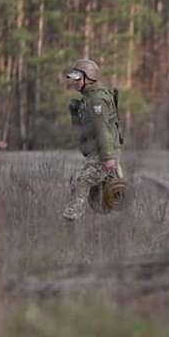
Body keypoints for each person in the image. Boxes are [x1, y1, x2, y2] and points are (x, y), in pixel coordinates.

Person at [62, 58, 123, 221]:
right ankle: (108, 227)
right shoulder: (87, 99)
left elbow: (103, 130)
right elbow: (81, 132)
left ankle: (70, 220)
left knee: (81, 182)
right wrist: (74, 113)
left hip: (104, 153)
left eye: (78, 79)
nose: (74, 83)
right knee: (98, 198)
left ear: (88, 79)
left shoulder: (97, 100)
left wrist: (109, 158)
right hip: (98, 153)